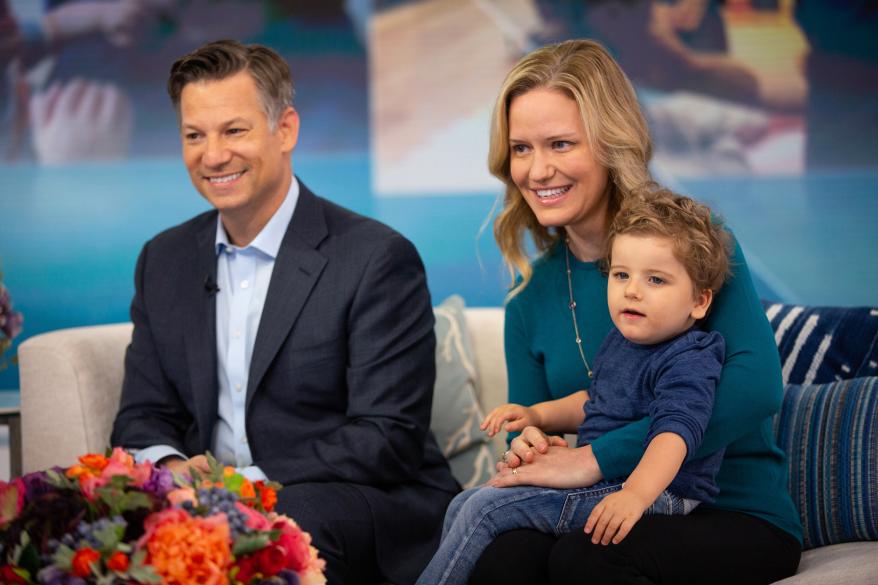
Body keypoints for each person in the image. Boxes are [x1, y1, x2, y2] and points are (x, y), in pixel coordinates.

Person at [110, 39, 459, 585]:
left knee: (286, 524)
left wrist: (241, 485)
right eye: (194, 136)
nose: (213, 155)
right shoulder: (164, 260)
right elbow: (142, 415)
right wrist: (174, 472)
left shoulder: (375, 258)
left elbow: (385, 438)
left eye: (234, 130)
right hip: (212, 501)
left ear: (286, 129)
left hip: (358, 502)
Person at [468, 39, 802, 585]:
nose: (538, 170)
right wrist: (529, 446)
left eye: (560, 143)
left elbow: (756, 387)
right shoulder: (528, 302)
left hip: (731, 512)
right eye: (522, 148)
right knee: (504, 557)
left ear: (609, 142)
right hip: (598, 507)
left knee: (587, 561)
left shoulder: (698, 246)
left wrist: (594, 457)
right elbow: (532, 424)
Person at [417, 191, 730, 585]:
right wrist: (539, 414)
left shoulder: (690, 356)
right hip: (609, 483)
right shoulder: (622, 341)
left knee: (487, 509)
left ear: (700, 302)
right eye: (621, 275)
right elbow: (594, 403)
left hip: (658, 494)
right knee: (465, 502)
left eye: (655, 279)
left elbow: (675, 434)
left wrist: (635, 495)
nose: (632, 290)